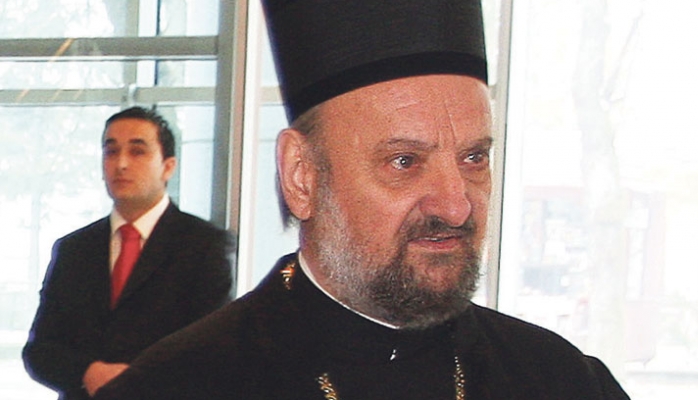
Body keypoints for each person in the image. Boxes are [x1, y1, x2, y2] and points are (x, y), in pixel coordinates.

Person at [93, 1, 630, 399]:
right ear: (302, 176)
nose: (456, 206)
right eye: (405, 161)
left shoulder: (560, 380)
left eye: (474, 158)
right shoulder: (175, 386)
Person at [22, 106, 237, 400]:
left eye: (137, 151)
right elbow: (39, 351)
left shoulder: (205, 245)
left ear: (168, 167)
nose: (121, 164)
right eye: (111, 152)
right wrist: (88, 372)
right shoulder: (74, 249)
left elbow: (214, 354)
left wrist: (139, 382)